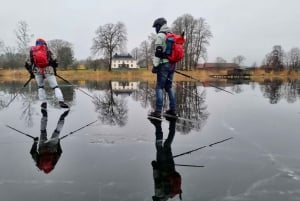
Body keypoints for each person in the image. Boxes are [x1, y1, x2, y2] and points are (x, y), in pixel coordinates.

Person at [25, 38, 69, 109]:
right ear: (44, 43)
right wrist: (54, 71)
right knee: (55, 87)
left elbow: (27, 64)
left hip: (37, 70)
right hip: (48, 70)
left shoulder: (32, 51)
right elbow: (55, 62)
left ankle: (43, 103)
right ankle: (61, 101)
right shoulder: (48, 50)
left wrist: (31, 73)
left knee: (40, 87)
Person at [149, 117, 182, 201]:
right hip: (162, 165)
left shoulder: (171, 195)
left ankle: (172, 122)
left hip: (171, 165)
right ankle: (158, 125)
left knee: (167, 144)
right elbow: (157, 180)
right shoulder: (159, 195)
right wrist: (155, 167)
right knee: (159, 146)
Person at [150, 17, 176, 119]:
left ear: (158, 26)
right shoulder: (171, 35)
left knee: (159, 87)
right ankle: (172, 110)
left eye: (155, 27)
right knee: (169, 87)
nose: (155, 29)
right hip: (172, 64)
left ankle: (157, 111)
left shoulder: (160, 35)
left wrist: (155, 66)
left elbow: (158, 52)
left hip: (163, 65)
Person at [30, 107, 70, 174]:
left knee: (57, 131)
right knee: (43, 131)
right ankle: (44, 114)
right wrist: (35, 142)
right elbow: (32, 152)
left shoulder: (52, 165)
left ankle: (63, 117)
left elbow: (59, 152)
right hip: (42, 147)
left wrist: (58, 142)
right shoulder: (40, 166)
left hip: (52, 147)